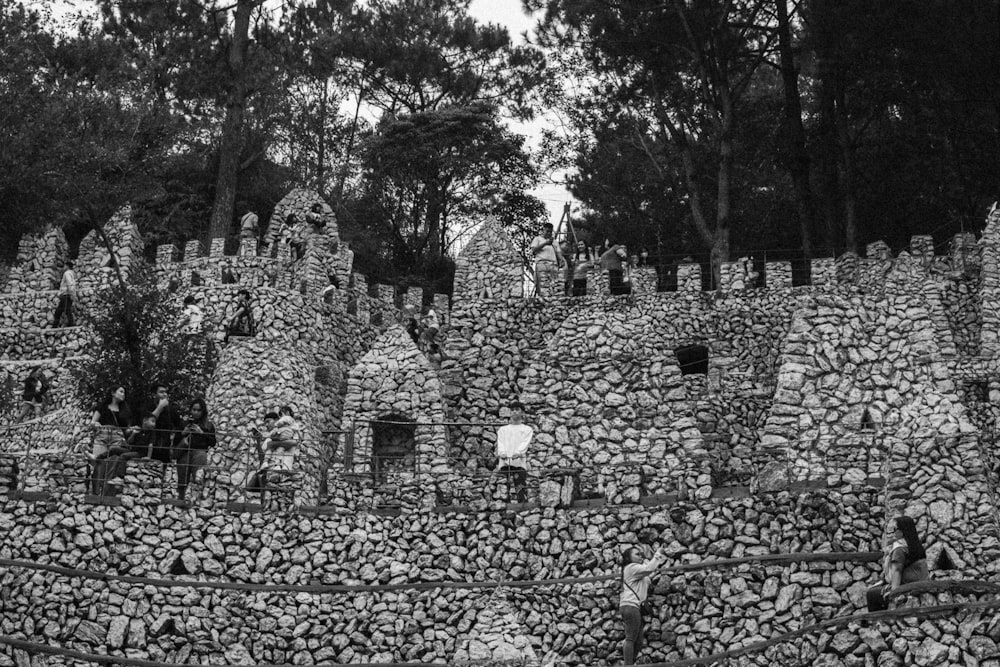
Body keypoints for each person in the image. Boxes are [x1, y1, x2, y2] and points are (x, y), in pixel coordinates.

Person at [868, 515, 929, 611]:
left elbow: (897, 570)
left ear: (902, 530)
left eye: (895, 529)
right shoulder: (915, 545)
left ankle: (874, 622)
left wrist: (894, 593)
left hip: (908, 585)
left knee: (871, 594)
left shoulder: (899, 549)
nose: (894, 532)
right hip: (920, 581)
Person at [620, 545, 667, 665]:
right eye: (636, 554)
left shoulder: (636, 571)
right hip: (630, 606)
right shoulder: (631, 567)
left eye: (641, 554)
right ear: (628, 558)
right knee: (631, 638)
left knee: (638, 640)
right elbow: (650, 568)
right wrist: (658, 553)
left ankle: (631, 661)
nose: (640, 556)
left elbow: (647, 575)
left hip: (633, 607)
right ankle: (628, 665)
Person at [89, 386, 133, 496]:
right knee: (99, 462)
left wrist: (132, 430)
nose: (123, 394)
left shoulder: (125, 410)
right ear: (113, 393)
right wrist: (96, 425)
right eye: (121, 391)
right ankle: (95, 492)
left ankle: (107, 492)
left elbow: (126, 430)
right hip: (102, 435)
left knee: (112, 463)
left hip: (117, 437)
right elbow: (92, 422)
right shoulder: (103, 407)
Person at [246, 406, 298, 500]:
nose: (266, 425)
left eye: (268, 421)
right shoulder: (269, 439)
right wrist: (258, 441)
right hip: (269, 472)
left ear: (277, 420)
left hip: (282, 470)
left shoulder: (290, 431)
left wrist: (272, 443)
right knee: (252, 484)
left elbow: (293, 443)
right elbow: (263, 459)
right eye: (265, 422)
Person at [172, 397, 217, 501]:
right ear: (190, 410)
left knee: (198, 477)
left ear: (203, 411)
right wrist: (183, 433)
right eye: (194, 410)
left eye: (198, 410)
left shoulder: (208, 425)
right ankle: (181, 499)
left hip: (199, 452)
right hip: (184, 452)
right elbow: (175, 441)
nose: (196, 412)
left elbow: (213, 442)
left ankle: (197, 501)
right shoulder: (184, 423)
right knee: (182, 477)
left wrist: (202, 432)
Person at [494, 406, 532, 503]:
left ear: (522, 413)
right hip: (505, 461)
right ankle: (503, 505)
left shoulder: (527, 429)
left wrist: (518, 452)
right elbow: (500, 442)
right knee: (503, 485)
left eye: (517, 409)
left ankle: (522, 506)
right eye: (513, 410)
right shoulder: (503, 430)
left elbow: (525, 442)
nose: (514, 411)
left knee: (520, 485)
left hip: (519, 462)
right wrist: (502, 453)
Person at [148, 384, 183, 468]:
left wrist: (174, 440)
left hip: (165, 447)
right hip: (149, 445)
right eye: (161, 392)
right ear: (154, 395)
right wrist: (160, 407)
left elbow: (179, 425)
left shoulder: (171, 409)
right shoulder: (148, 406)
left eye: (166, 392)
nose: (165, 394)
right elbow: (147, 423)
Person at [530, 223, 562, 297]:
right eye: (547, 231)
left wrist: (561, 259)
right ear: (543, 230)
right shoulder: (537, 239)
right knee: (543, 285)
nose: (549, 233)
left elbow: (558, 252)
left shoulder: (554, 241)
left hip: (553, 264)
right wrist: (545, 243)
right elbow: (533, 249)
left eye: (550, 232)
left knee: (554, 285)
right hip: (542, 264)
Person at [52, 260, 78, 327]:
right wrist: (73, 294)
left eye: (64, 266)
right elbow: (73, 285)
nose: (63, 267)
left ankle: (55, 325)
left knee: (59, 311)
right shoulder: (73, 274)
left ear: (67, 266)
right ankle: (70, 323)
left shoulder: (67, 273)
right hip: (68, 294)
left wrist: (71, 293)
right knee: (67, 310)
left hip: (65, 294)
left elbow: (70, 284)